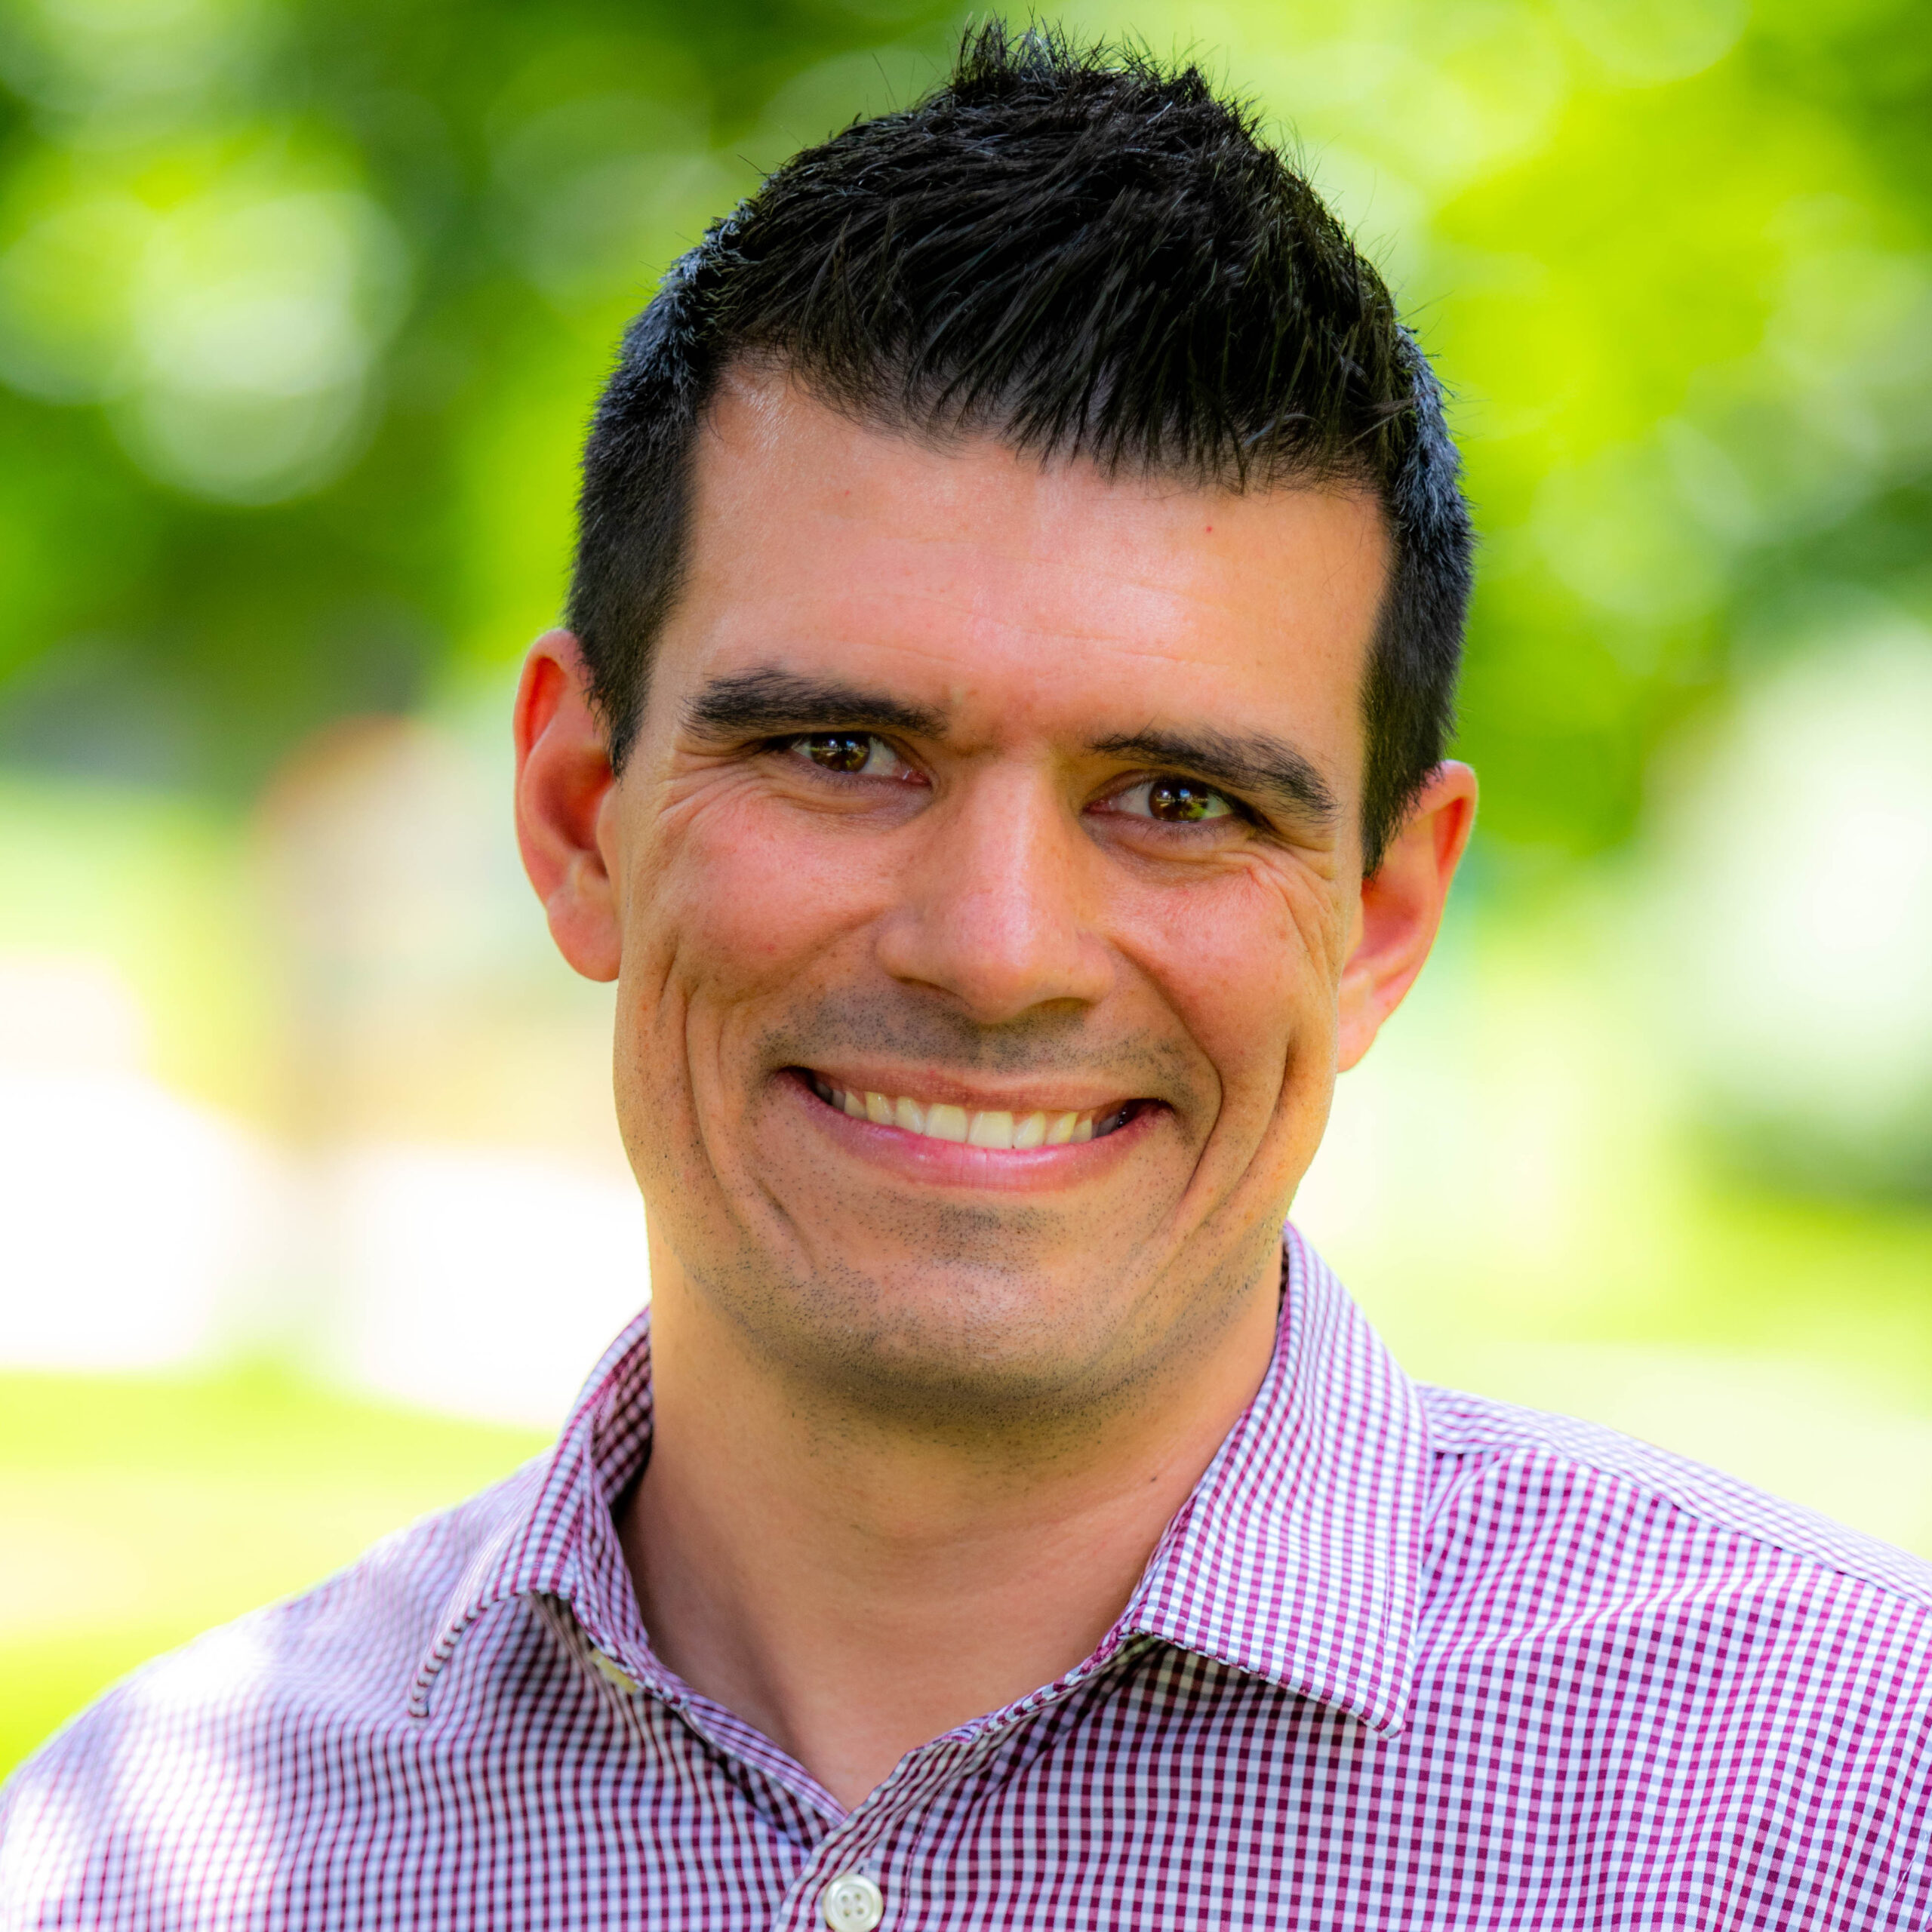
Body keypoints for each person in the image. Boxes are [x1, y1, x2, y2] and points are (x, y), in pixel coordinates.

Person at [4, 23, 1929, 1930]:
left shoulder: (1850, 1814)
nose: (996, 951)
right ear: (581, 813)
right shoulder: (126, 1865)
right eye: (842, 751)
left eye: (1178, 798)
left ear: (1384, 917)